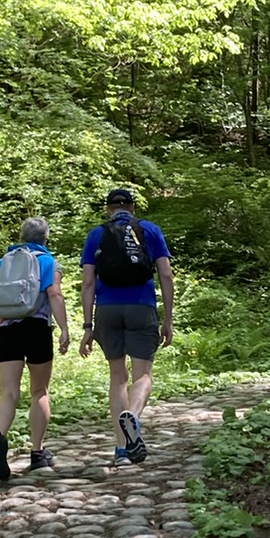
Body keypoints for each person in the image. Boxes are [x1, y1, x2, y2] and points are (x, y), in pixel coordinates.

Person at [78, 187, 173, 464]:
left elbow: (87, 283)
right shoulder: (150, 230)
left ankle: (121, 450)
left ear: (108, 209)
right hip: (141, 307)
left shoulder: (96, 234)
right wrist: (167, 318)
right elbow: (166, 274)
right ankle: (132, 415)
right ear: (132, 207)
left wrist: (87, 326)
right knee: (142, 375)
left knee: (117, 376)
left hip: (107, 309)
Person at [0, 216, 70, 479]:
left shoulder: (2, 263)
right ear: (46, 238)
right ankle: (37, 452)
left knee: (7, 392)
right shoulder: (47, 261)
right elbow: (54, 294)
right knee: (39, 391)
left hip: (5, 331)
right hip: (36, 329)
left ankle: (0, 438)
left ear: (21, 237)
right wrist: (65, 328)